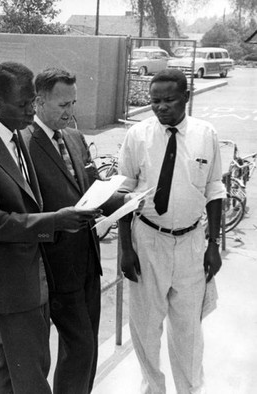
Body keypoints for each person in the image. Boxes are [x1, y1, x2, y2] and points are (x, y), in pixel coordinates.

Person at [0, 62, 99, 394]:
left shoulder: (16, 136)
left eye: (33, 102)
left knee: (11, 371)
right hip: (10, 285)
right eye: (23, 105)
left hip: (34, 277)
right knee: (33, 377)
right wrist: (54, 221)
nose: (31, 111)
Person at [118, 69, 226, 393]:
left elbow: (215, 190)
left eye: (168, 100)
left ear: (186, 97)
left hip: (192, 242)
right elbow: (123, 192)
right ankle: (153, 387)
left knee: (188, 329)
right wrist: (126, 248)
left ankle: (189, 389)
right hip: (148, 239)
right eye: (154, 101)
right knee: (146, 328)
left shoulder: (206, 134)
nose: (161, 107)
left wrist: (213, 245)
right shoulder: (137, 136)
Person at [21, 67, 125, 394]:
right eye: (63, 105)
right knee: (79, 347)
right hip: (54, 265)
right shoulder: (23, 144)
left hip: (87, 262)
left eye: (73, 104)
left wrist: (129, 199)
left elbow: (93, 188)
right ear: (38, 102)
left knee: (86, 347)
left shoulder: (74, 138)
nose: (70, 112)